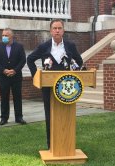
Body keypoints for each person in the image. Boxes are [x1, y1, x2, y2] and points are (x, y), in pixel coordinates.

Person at [27, 19, 83, 149]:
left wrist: (73, 73)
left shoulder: (70, 46)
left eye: (59, 28)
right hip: (48, 87)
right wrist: (37, 76)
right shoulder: (44, 46)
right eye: (54, 28)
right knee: (50, 114)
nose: (57, 30)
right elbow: (29, 60)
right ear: (51, 31)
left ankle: (66, 144)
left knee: (66, 114)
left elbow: (79, 61)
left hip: (66, 87)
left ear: (63, 30)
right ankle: (51, 144)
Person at [0, 28, 27, 126]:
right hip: (3, 77)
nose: (4, 37)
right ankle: (4, 118)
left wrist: (15, 70)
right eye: (3, 35)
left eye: (6, 35)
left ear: (11, 36)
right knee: (4, 97)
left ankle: (19, 117)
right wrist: (3, 70)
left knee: (17, 97)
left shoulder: (19, 47)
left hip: (16, 77)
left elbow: (22, 60)